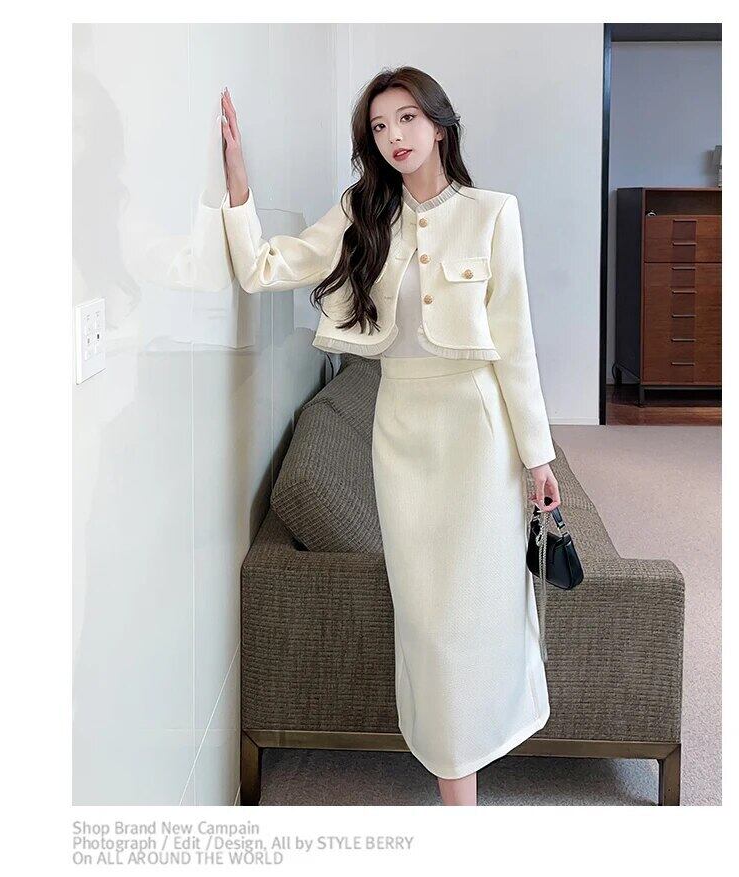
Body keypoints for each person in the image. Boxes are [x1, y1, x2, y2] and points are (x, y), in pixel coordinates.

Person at [219, 66, 561, 806]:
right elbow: (264, 268)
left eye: (406, 119)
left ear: (439, 124)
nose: (394, 136)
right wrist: (238, 186)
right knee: (429, 621)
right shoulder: (362, 211)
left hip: (479, 435)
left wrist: (538, 456)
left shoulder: (493, 213)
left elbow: (516, 343)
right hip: (402, 431)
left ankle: (466, 785)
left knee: (482, 608)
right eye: (379, 127)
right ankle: (453, 766)